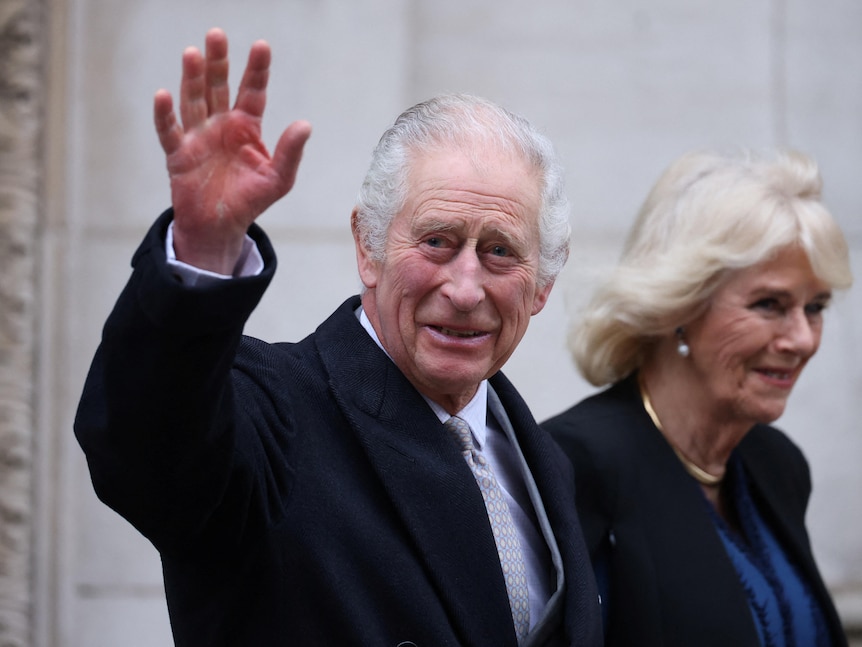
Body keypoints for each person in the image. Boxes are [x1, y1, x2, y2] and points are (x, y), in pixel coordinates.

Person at [74, 28, 603, 647]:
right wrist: (204, 255)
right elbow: (146, 448)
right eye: (436, 241)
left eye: (498, 252)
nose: (465, 287)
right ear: (368, 248)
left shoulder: (542, 461)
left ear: (541, 286)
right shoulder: (274, 417)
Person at [542, 149, 852, 646]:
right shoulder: (573, 466)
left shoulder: (777, 465)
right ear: (678, 305)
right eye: (769, 304)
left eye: (814, 307)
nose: (803, 339)